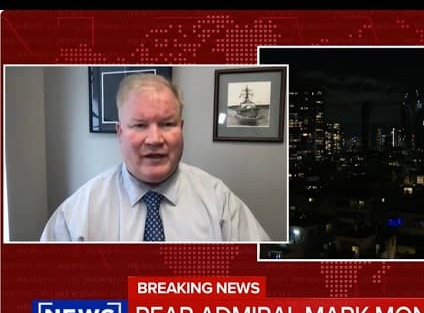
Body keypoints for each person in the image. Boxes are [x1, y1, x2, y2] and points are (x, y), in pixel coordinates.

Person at [40, 73, 270, 242]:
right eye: (140, 125)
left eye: (167, 124)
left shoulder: (219, 202)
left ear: (181, 129)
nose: (154, 139)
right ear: (120, 133)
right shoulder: (77, 213)